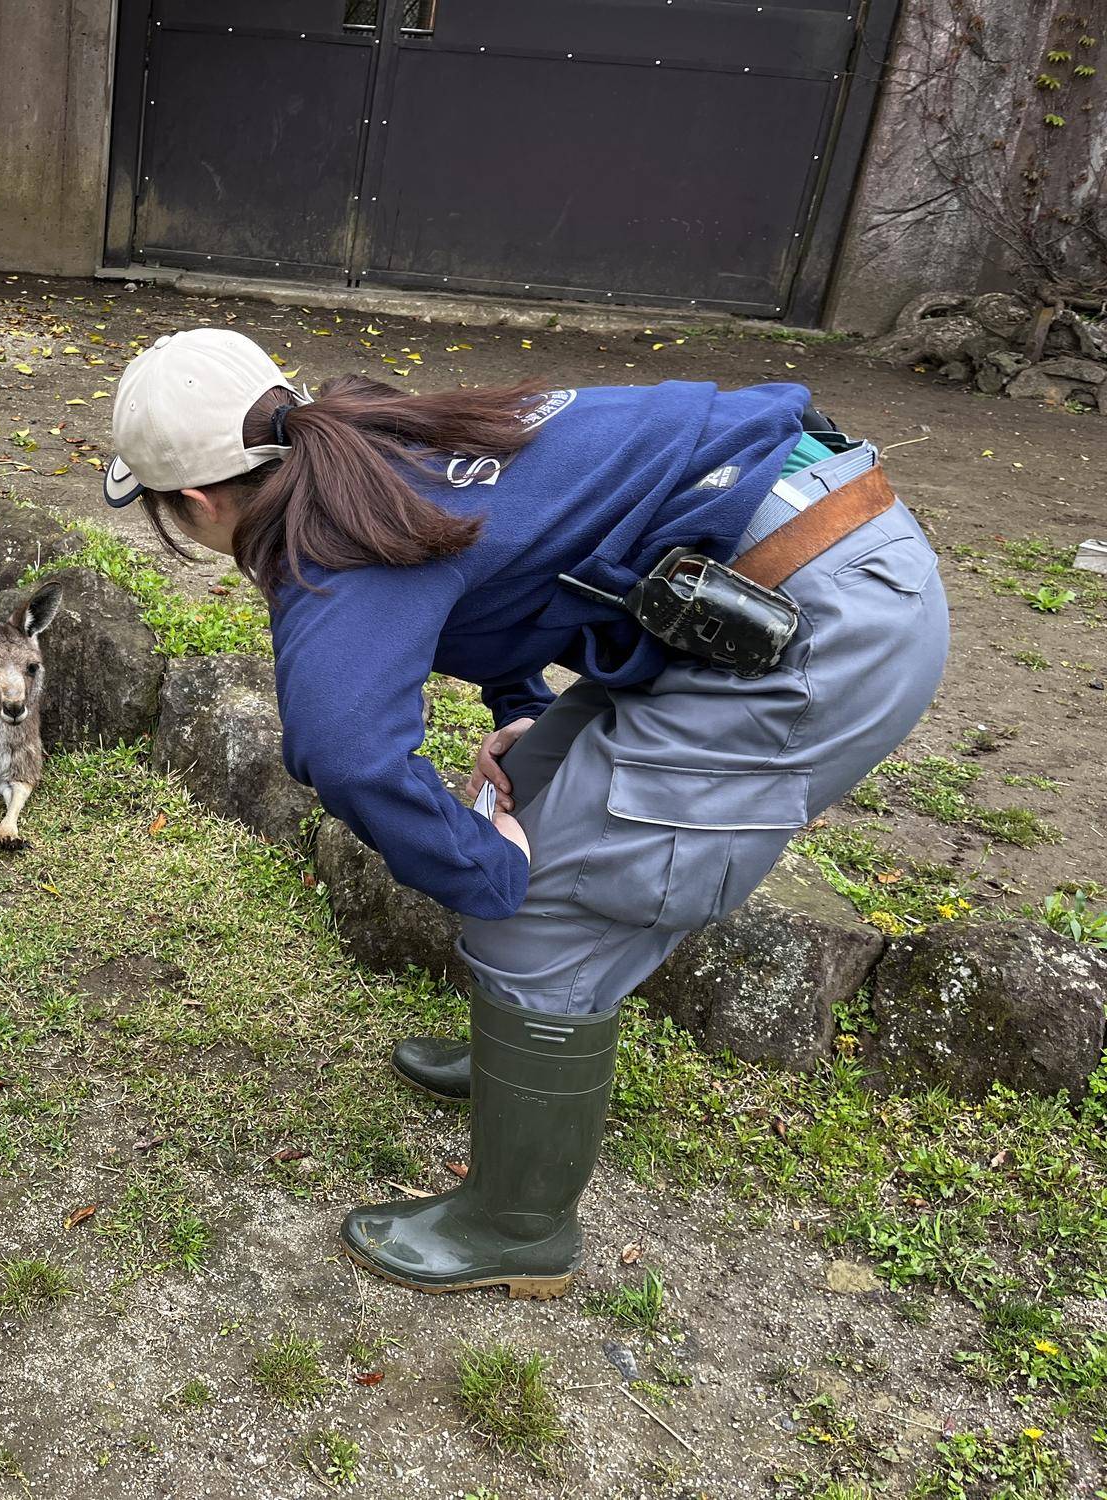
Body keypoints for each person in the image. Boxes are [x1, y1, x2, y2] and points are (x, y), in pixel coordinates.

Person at [100, 328, 947, 1298]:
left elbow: (345, 753)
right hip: (775, 546)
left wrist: (489, 872)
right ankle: (521, 1059)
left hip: (822, 615)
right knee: (542, 788)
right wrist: (523, 714)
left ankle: (516, 1226)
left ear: (197, 503)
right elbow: (508, 548)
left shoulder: (328, 549)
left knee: (543, 903)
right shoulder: (367, 441)